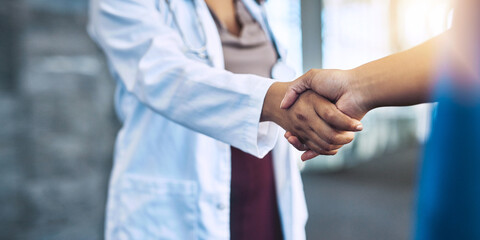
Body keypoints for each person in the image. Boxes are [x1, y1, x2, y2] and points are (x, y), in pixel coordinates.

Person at [88, 0, 362, 239]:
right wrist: (272, 101)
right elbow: (163, 75)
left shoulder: (252, 7)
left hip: (265, 191)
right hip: (181, 202)